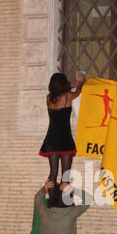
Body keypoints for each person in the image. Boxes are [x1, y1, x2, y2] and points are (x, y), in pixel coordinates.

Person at [39, 72, 86, 205]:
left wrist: (70, 82)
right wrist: (81, 81)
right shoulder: (67, 96)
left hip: (51, 140)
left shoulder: (48, 98)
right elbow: (77, 91)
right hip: (65, 140)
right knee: (65, 175)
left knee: (53, 174)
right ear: (63, 84)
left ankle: (52, 203)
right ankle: (65, 203)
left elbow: (65, 87)